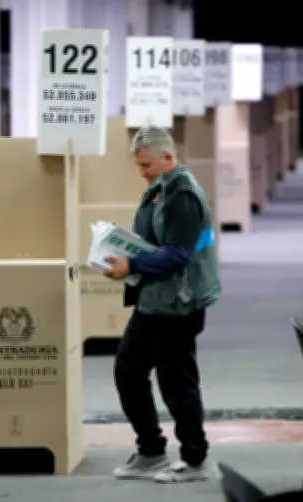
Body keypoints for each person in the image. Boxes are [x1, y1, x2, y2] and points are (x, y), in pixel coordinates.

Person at [102, 126, 221, 484]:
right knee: (131, 370)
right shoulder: (162, 188)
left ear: (167, 158)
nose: (142, 172)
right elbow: (157, 239)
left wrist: (132, 265)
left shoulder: (181, 192)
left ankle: (194, 459)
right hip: (157, 300)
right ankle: (152, 450)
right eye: (139, 166)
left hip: (176, 306)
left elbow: (180, 253)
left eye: (147, 165)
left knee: (175, 380)